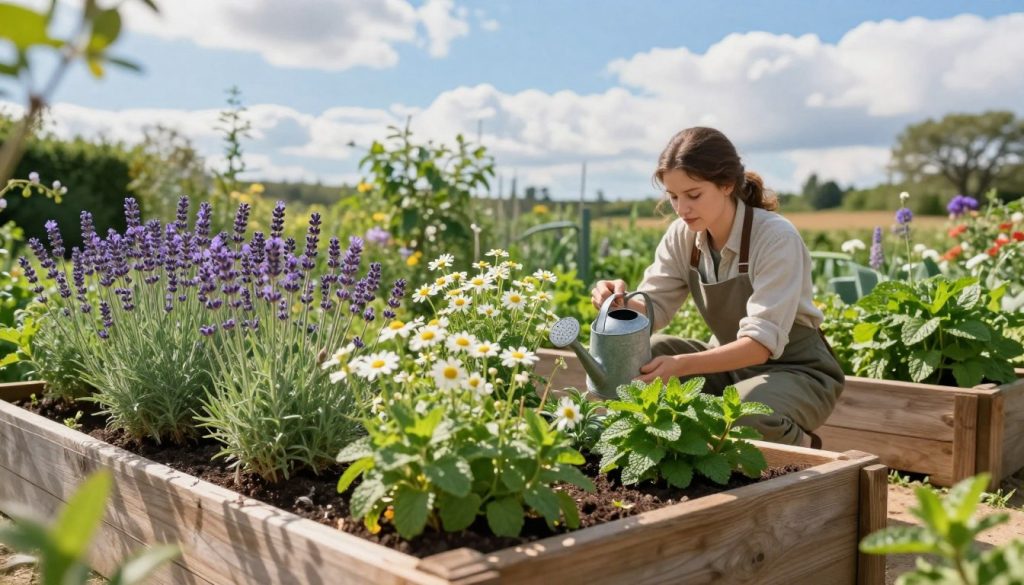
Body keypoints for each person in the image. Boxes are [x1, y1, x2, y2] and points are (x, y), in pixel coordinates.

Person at [591, 127, 843, 448]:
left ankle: (810, 453)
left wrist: (681, 366)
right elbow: (653, 308)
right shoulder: (683, 236)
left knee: (740, 415)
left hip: (798, 371)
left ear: (726, 184)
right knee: (647, 354)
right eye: (673, 197)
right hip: (726, 366)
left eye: (693, 195)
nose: (682, 209)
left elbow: (758, 345)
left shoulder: (775, 238)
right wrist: (619, 302)